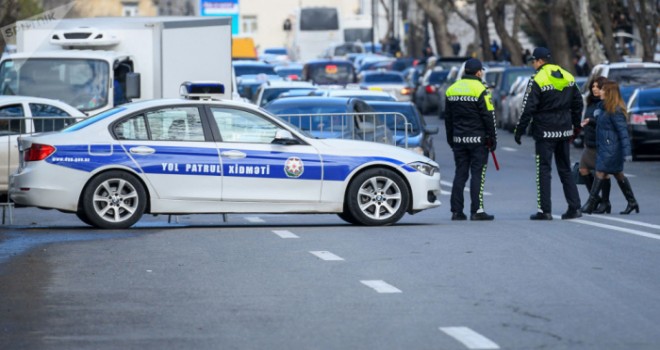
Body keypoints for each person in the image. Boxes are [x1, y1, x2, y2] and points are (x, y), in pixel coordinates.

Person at [513, 47, 584, 220]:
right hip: (564, 129)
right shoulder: (567, 75)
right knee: (565, 169)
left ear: (538, 61)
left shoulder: (537, 78)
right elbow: (578, 103)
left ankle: (545, 210)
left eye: (533, 61)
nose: (532, 64)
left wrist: (519, 131)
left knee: (544, 170)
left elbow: (528, 108)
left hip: (545, 131)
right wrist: (575, 126)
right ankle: (574, 208)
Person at [445, 58, 497, 221]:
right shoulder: (481, 89)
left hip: (459, 140)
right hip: (477, 140)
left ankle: (456, 211)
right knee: (477, 175)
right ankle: (477, 210)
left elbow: (448, 119)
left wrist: (451, 139)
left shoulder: (452, 89)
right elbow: (488, 116)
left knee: (460, 173)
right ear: (478, 72)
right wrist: (492, 137)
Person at [582, 81, 639, 215]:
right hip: (606, 146)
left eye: (602, 90)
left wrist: (627, 152)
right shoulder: (604, 109)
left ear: (609, 93)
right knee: (618, 174)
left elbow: (623, 132)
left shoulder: (615, 110)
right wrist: (590, 122)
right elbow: (605, 126)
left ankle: (591, 203)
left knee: (600, 172)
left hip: (612, 148)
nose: (600, 92)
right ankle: (632, 202)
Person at [579, 76, 610, 213]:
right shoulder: (590, 102)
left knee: (603, 173)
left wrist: (591, 121)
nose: (595, 89)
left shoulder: (606, 103)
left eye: (598, 87)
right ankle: (595, 198)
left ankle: (605, 202)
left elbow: (605, 123)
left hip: (602, 143)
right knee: (583, 169)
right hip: (590, 143)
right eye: (593, 87)